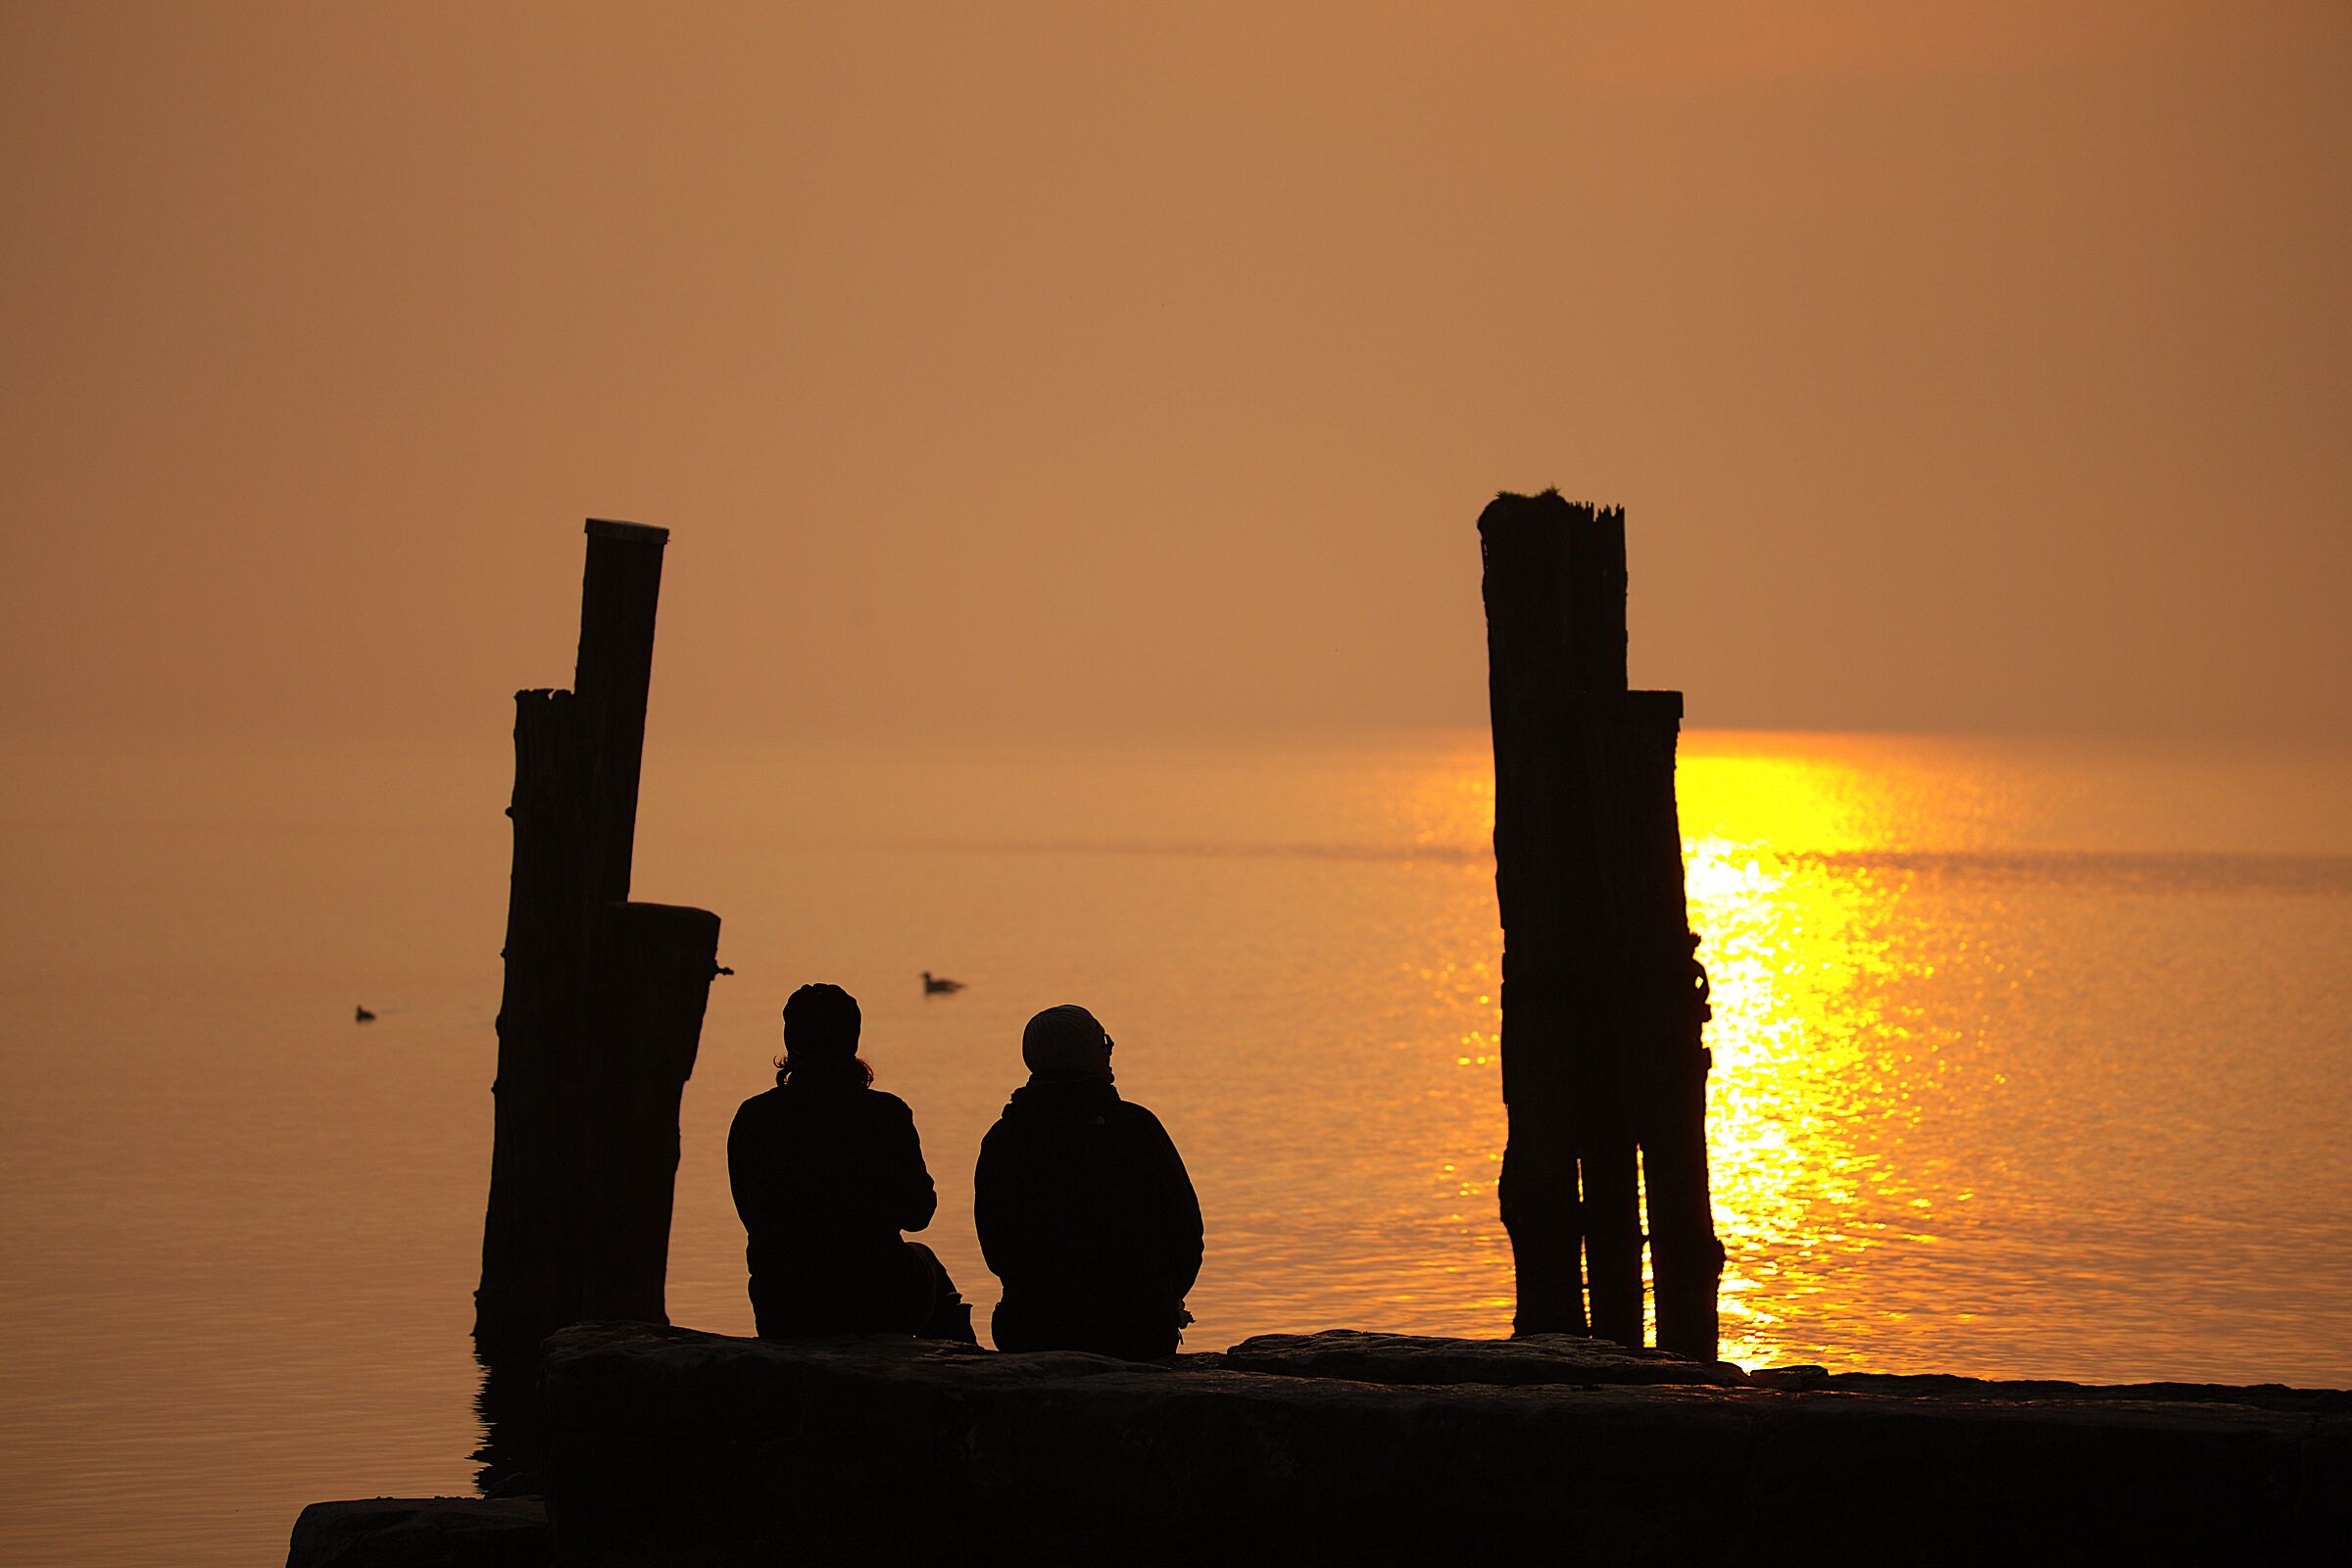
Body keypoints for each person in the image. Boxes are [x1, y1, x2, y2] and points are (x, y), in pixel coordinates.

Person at [728, 982, 973, 1342]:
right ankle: (964, 1368)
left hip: (782, 1308)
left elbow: (750, 1213)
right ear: (852, 1041)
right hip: (874, 1303)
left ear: (791, 1042)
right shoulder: (886, 1114)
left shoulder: (753, 1117)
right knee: (926, 1263)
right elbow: (918, 1215)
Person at [975, 1004, 1202, 1359]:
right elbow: (1185, 1231)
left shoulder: (1003, 1138)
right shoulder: (1136, 1129)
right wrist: (1161, 1297)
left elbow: (995, 1247)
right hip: (1136, 1330)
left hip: (1031, 1328)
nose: (1109, 1051)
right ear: (1086, 1056)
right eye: (1104, 1043)